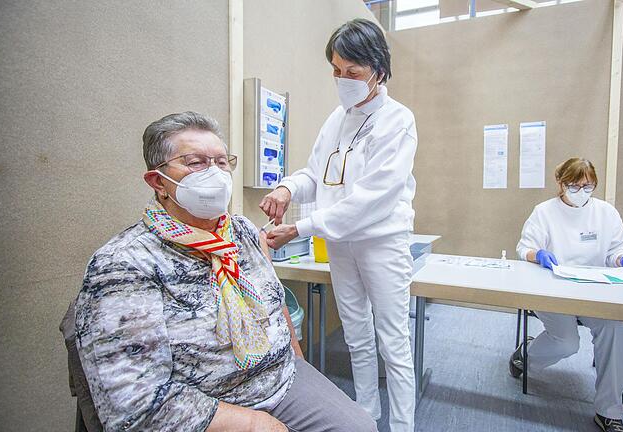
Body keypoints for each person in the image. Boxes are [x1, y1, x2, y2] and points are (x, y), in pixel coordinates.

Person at [74, 111, 377, 432]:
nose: (215, 174)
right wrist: (256, 424)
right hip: (207, 401)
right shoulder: (124, 263)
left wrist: (299, 367)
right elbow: (135, 404)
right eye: (196, 163)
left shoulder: (243, 232)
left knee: (361, 427)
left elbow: (276, 307)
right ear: (158, 182)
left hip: (278, 379)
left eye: (221, 162)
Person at [259, 19, 418, 432]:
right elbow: (318, 175)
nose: (342, 79)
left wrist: (301, 228)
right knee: (356, 336)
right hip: (341, 243)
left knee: (393, 341)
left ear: (379, 71)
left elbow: (372, 198)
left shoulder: (398, 120)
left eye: (353, 72)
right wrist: (287, 190)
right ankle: (365, 417)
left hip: (381, 242)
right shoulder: (337, 118)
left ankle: (403, 426)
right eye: (336, 70)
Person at [513, 157, 623, 432]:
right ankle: (525, 355)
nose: (581, 192)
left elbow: (616, 249)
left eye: (588, 186)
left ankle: (609, 412)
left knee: (615, 326)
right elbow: (523, 249)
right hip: (552, 290)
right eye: (574, 186)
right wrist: (538, 254)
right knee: (566, 343)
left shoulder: (606, 213)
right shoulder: (544, 212)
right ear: (560, 183)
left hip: (593, 291)